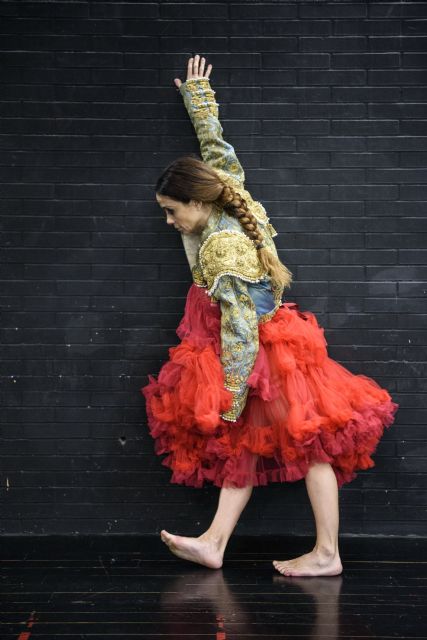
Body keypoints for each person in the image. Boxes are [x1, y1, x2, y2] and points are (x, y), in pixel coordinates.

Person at [141, 54, 399, 576]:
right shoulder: (230, 194)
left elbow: (238, 329)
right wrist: (200, 100)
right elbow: (219, 153)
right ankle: (216, 540)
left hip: (260, 351)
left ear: (196, 202)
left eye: (173, 210)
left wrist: (230, 397)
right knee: (264, 444)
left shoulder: (222, 248)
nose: (170, 221)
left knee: (311, 442)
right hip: (273, 343)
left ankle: (327, 553)